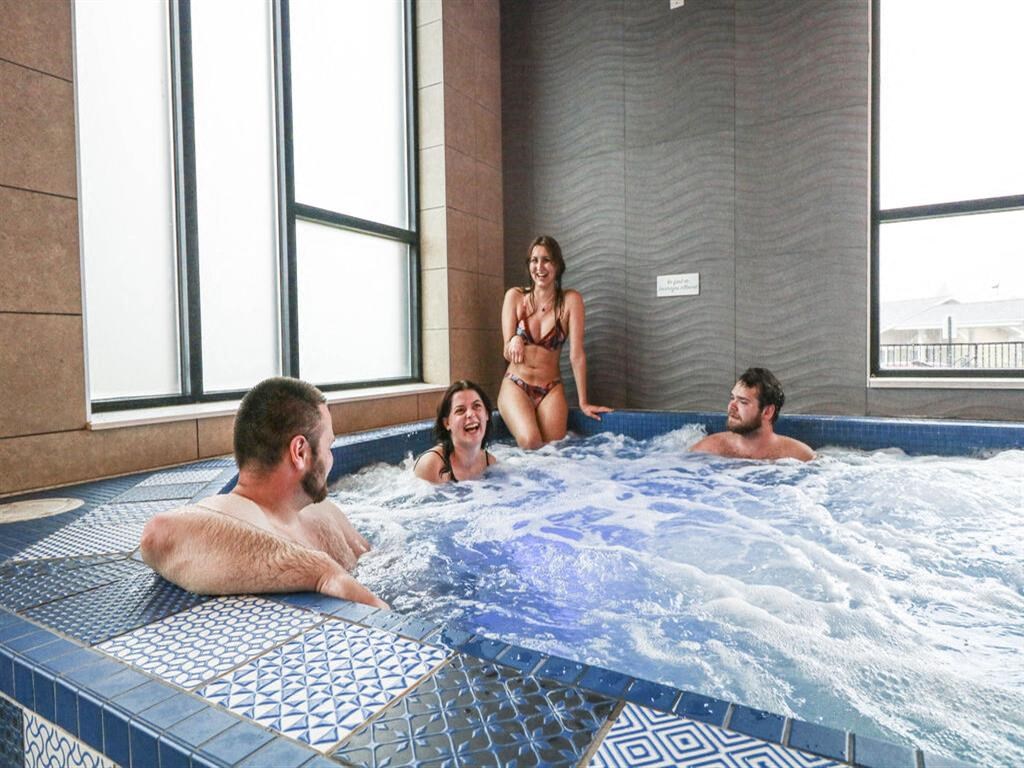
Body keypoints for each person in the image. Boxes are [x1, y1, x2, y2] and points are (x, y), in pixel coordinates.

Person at [139, 377, 387, 607]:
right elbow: (158, 535)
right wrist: (321, 571)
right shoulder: (236, 513)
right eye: (328, 446)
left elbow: (374, 561)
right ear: (299, 452)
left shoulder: (324, 511)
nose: (331, 458)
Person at [498, 235, 612, 449]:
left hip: (550, 388)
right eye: (534, 260)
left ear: (557, 265)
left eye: (546, 260)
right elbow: (506, 351)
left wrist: (583, 402)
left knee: (553, 452)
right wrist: (513, 339)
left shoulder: (570, 301)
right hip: (516, 383)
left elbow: (576, 355)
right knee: (531, 442)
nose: (539, 267)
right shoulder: (514, 297)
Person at [690, 367, 815, 462]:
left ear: (767, 412)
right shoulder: (708, 449)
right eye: (732, 398)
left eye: (743, 402)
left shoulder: (800, 456)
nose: (732, 406)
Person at [414, 380, 497, 484]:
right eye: (460, 410)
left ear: (487, 415)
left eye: (476, 406)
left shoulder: (490, 463)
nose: (470, 414)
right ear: (447, 423)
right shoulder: (431, 465)